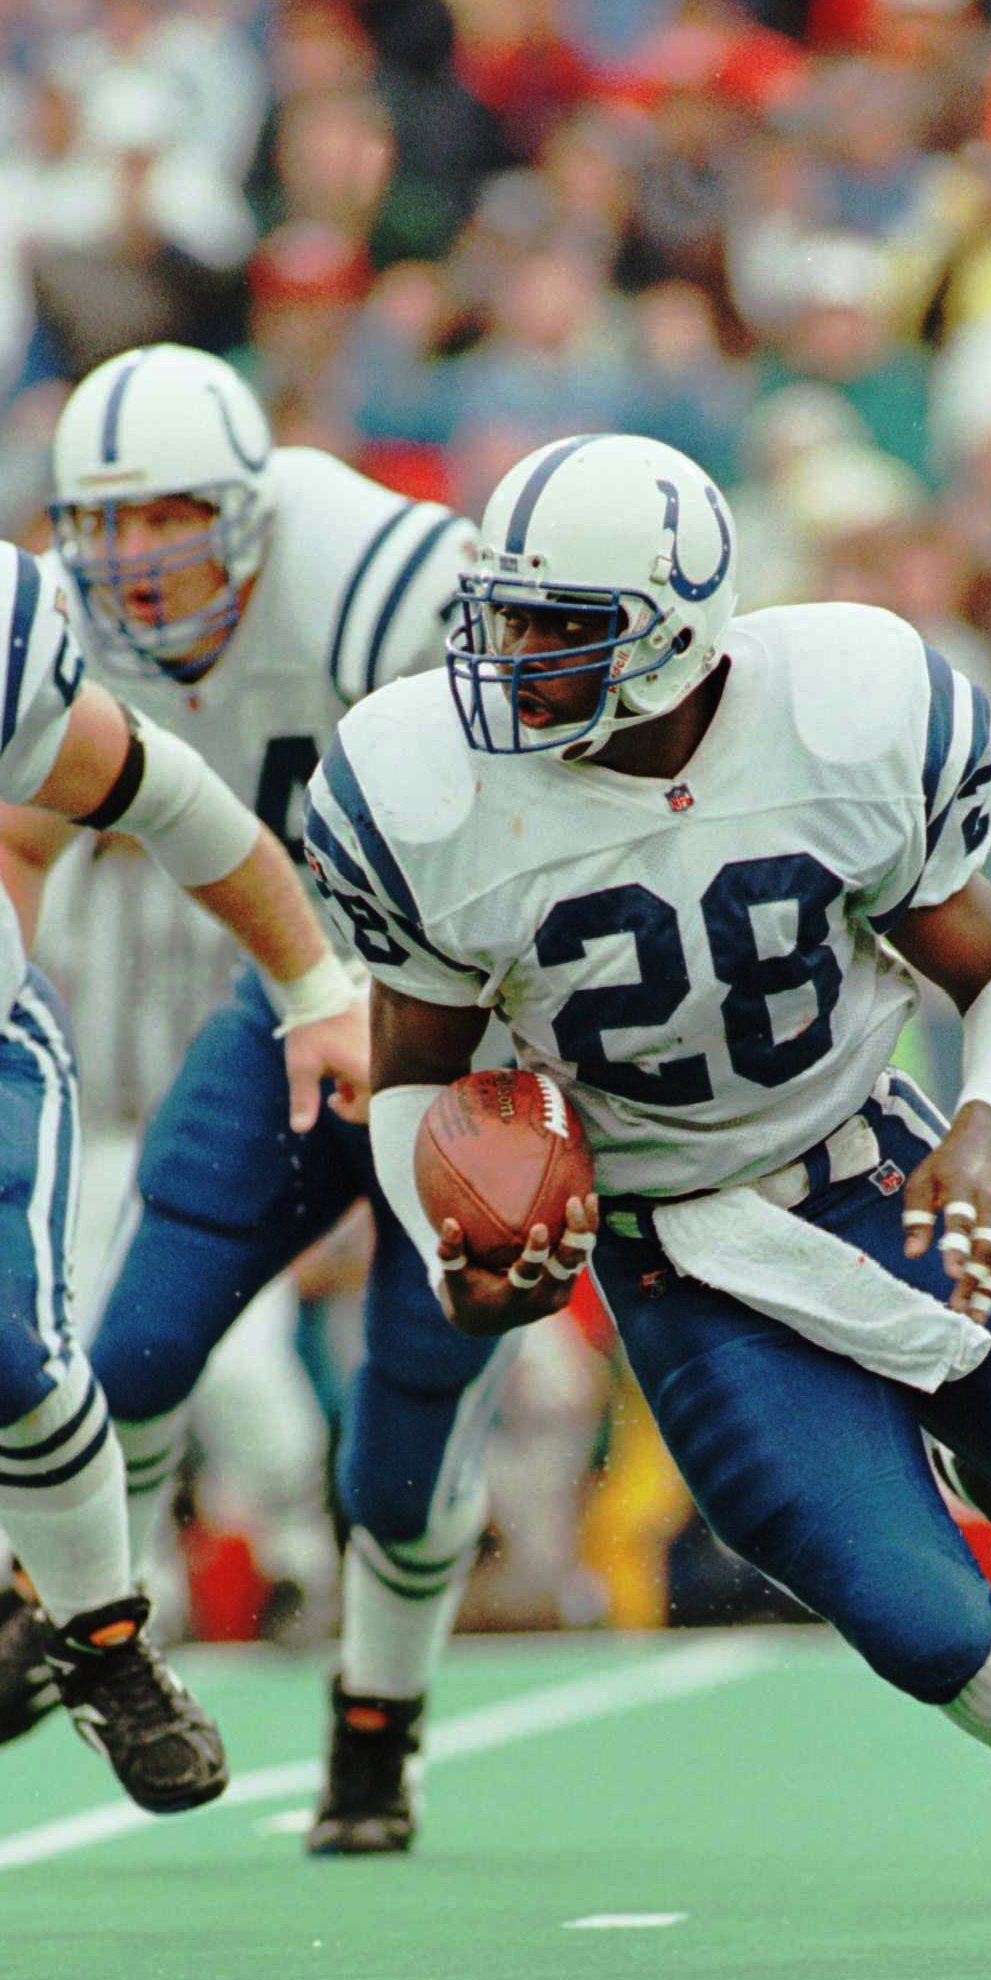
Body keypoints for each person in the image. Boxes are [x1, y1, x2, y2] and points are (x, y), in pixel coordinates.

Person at [305, 428, 991, 1960]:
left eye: (560, 627)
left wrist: (984, 1130)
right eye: (501, 615)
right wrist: (451, 1238)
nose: (506, 659)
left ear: (679, 627)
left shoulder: (847, 712)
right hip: (684, 1257)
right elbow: (413, 1068)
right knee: (920, 1621)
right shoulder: (423, 790)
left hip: (887, 1166)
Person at [0, 343, 499, 1855]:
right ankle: (93, 1621)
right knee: (136, 1345)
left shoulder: (377, 572)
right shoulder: (61, 618)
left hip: (485, 1015)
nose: (143, 558)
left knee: (405, 1434)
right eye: (113, 522)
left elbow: (541, 772)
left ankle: (376, 1726)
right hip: (290, 992)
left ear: (255, 504)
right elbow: (31, 829)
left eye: (174, 516)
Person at [0, 534, 367, 1812]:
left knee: (47, 1362)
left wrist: (316, 991)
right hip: (104, 1113)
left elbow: (184, 804)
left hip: (107, 1107)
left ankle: (112, 1626)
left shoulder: (29, 686)